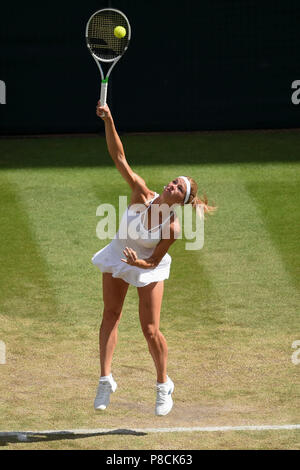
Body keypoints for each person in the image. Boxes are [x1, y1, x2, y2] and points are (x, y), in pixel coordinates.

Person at [92, 101, 216, 416]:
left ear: (181, 200)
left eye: (177, 187)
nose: (170, 185)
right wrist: (109, 120)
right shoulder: (140, 192)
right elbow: (118, 156)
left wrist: (138, 264)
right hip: (119, 255)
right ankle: (105, 379)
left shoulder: (171, 227)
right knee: (110, 315)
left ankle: (163, 386)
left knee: (149, 329)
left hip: (147, 268)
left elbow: (153, 262)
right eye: (173, 181)